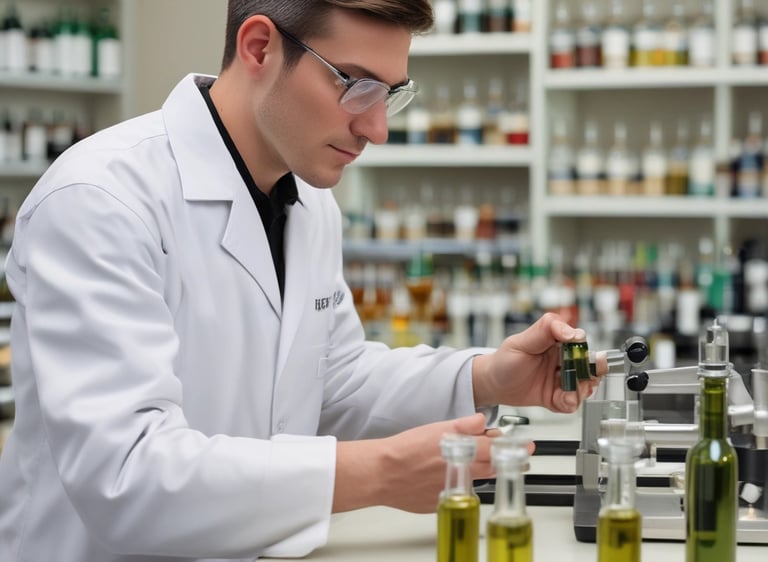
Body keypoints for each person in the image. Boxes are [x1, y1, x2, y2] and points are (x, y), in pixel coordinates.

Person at [0, 1, 606, 560]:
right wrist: (381, 472)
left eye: (391, 94)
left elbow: (333, 382)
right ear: (260, 47)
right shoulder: (100, 199)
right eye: (355, 86)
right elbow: (126, 475)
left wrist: (485, 376)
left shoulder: (310, 203)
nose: (376, 128)